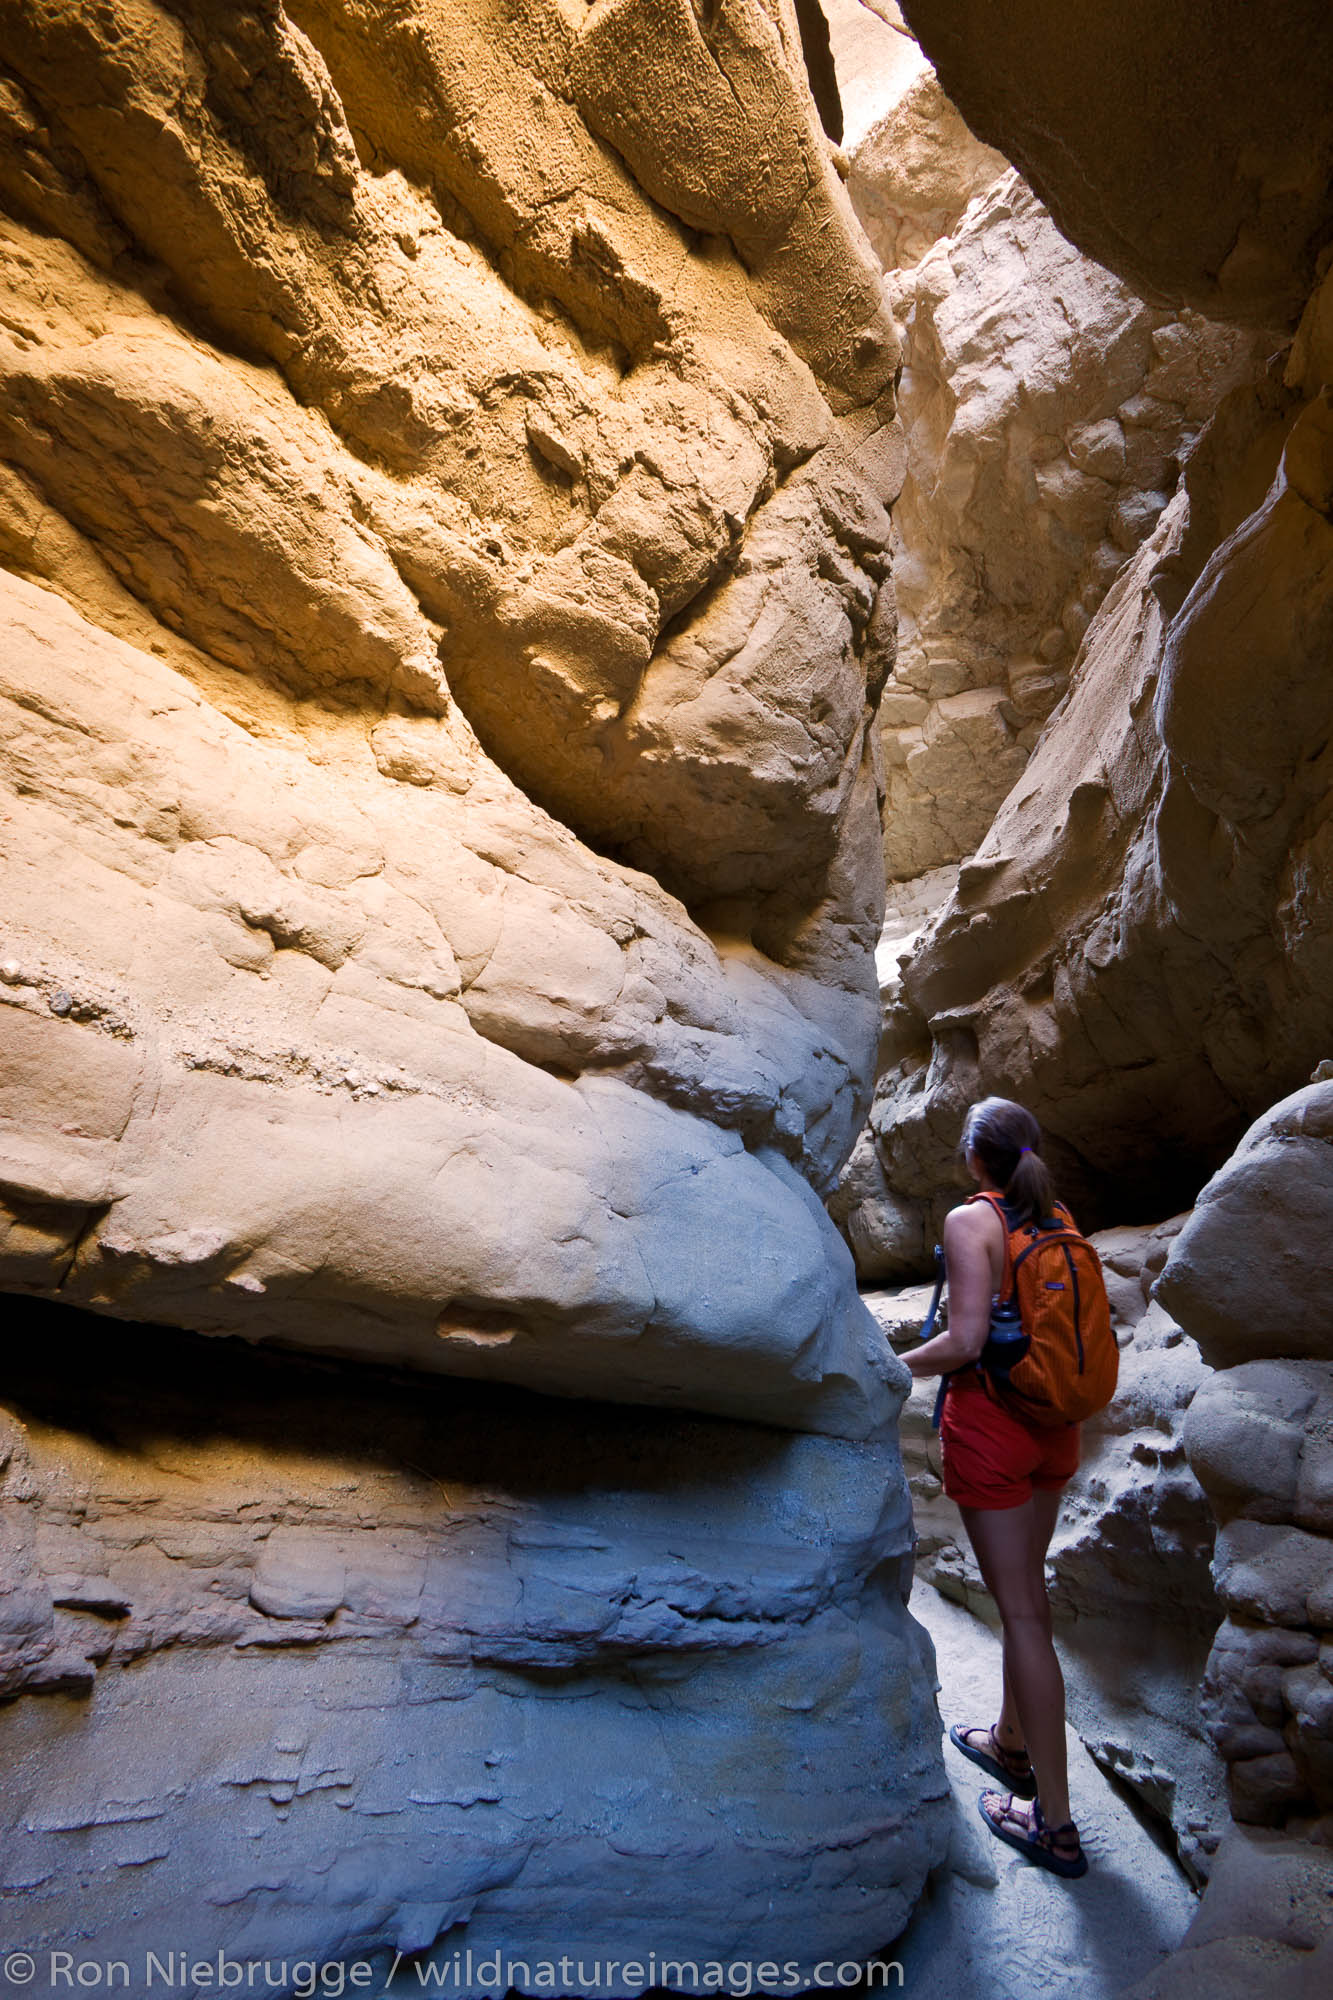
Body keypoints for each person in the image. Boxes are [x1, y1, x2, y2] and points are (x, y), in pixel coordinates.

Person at [904, 1096, 1088, 1879]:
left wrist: (890, 1365)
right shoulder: (1059, 1217)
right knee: (1028, 1600)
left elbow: (967, 1339)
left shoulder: (969, 1221)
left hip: (992, 1428)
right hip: (1055, 1423)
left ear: (976, 1158)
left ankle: (1055, 1825)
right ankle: (1010, 1745)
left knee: (1020, 1613)